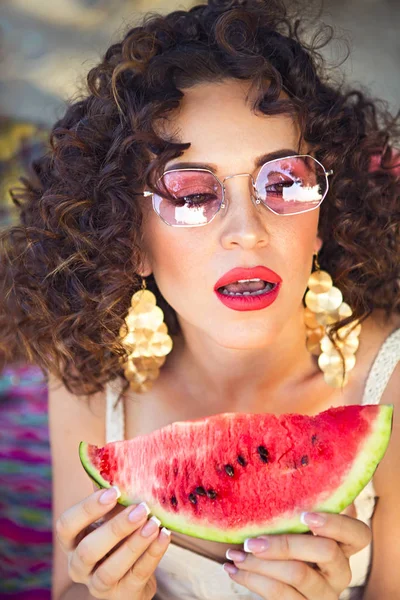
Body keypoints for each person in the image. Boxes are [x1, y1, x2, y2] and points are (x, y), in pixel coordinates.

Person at [0, 0, 399, 598]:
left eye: (284, 182)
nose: (248, 229)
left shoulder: (388, 384)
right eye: (189, 193)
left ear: (319, 221)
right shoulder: (87, 379)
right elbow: (70, 588)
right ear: (131, 238)